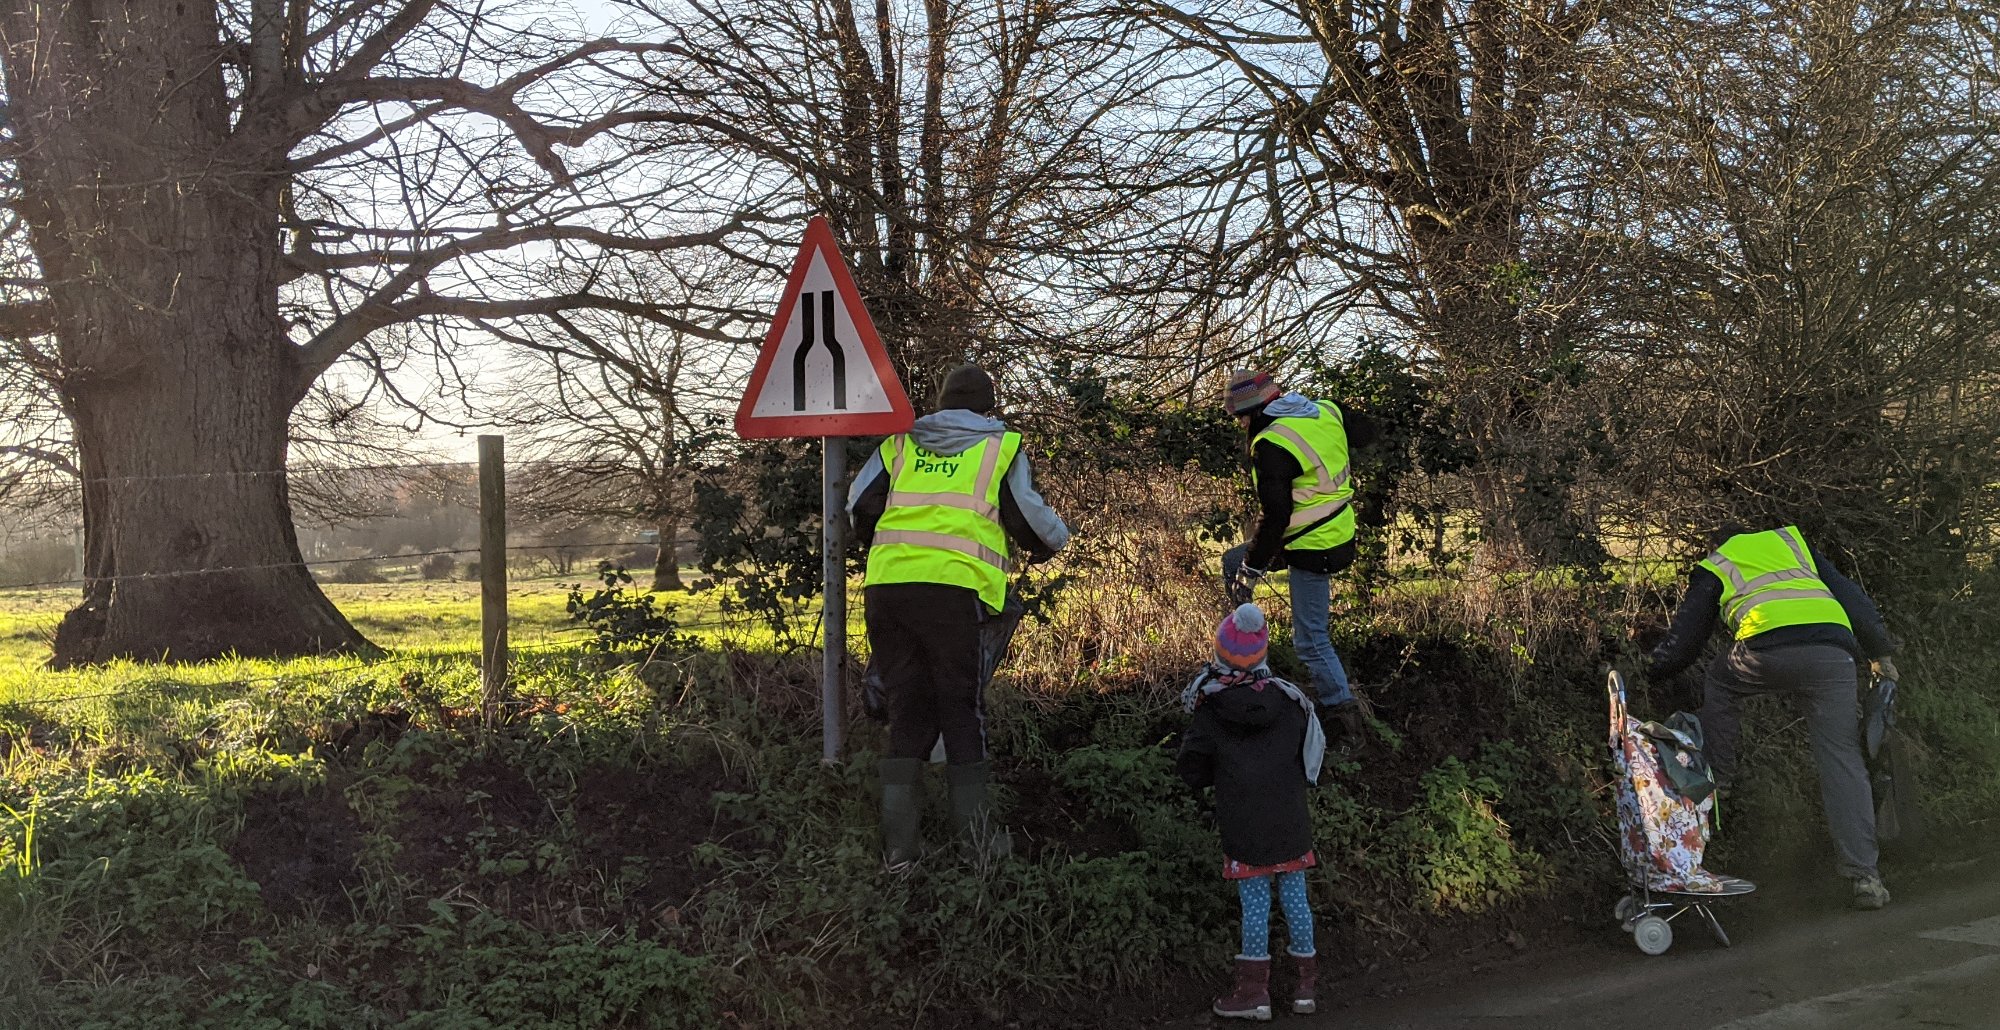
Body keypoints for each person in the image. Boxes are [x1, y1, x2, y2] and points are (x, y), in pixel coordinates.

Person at [847, 364, 1070, 870]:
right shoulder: (1000, 447)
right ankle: (979, 845)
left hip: (888, 588)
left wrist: (889, 550)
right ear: (987, 405)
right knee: (960, 706)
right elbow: (1026, 517)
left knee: (907, 705)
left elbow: (859, 506)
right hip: (953, 592)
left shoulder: (899, 446)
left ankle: (899, 852)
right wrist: (1054, 541)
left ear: (942, 400)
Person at [1646, 523, 1899, 910]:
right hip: (1832, 656)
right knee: (1843, 762)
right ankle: (1865, 877)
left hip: (1763, 653)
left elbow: (1686, 640)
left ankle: (1722, 777)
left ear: (1718, 543)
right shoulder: (1792, 541)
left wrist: (1649, 671)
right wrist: (1881, 653)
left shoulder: (1718, 562)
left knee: (1720, 682)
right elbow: (1850, 595)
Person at [1178, 603, 1326, 1021]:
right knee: (1296, 897)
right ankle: (1305, 986)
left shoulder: (1210, 707)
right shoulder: (1291, 700)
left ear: (1220, 655)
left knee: (1256, 904)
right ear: (1262, 654)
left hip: (1243, 826)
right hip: (1290, 821)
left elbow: (1191, 769)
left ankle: (1254, 993)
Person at [1220, 368, 1378, 748]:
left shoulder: (1272, 443)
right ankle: (1245, 659)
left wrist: (1254, 568)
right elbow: (1369, 432)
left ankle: (1345, 722)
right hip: (1336, 534)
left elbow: (1275, 517)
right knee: (1232, 562)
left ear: (1256, 410)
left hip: (1313, 547)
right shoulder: (1325, 410)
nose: (1239, 423)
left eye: (1240, 415)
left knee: (1311, 640)